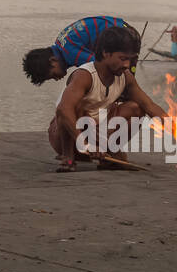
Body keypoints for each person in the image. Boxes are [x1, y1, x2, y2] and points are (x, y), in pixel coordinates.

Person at [49, 25, 169, 172]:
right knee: (71, 108)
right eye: (122, 59)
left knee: (136, 108)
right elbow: (63, 110)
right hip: (67, 138)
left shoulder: (126, 77)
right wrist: (84, 143)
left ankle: (110, 153)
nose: (127, 65)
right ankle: (68, 159)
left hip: (96, 135)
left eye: (130, 60)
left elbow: (150, 106)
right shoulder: (84, 75)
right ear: (106, 53)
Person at [21, 15, 134, 86]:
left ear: (53, 60)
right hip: (122, 28)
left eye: (53, 75)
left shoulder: (70, 53)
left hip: (125, 35)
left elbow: (99, 66)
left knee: (124, 83)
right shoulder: (61, 44)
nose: (56, 79)